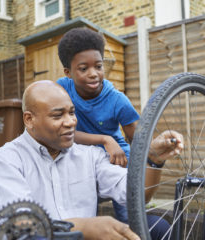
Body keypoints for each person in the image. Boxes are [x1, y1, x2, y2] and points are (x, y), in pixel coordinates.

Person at [0, 80, 184, 240]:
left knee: (159, 229)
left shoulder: (89, 156)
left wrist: (154, 160)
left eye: (71, 112)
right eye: (57, 115)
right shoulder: (4, 161)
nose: (70, 122)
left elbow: (135, 193)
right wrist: (85, 228)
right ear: (29, 119)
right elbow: (23, 228)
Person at [56, 27, 137, 224]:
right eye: (84, 69)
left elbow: (141, 140)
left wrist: (141, 168)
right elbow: (61, 132)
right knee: (82, 217)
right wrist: (104, 139)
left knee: (129, 218)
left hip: (115, 159)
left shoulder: (118, 100)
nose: (93, 74)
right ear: (68, 72)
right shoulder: (61, 89)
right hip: (80, 162)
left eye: (98, 67)